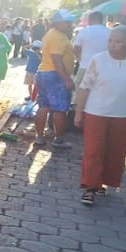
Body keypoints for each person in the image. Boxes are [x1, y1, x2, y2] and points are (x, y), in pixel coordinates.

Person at [74, 25, 126, 206]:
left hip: (122, 114)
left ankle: (102, 182)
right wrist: (78, 112)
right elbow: (85, 87)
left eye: (118, 42)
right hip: (96, 112)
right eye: (110, 41)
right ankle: (90, 187)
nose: (112, 45)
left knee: (115, 151)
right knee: (94, 150)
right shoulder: (98, 59)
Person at [34, 9, 77, 149]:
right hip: (55, 75)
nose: (70, 24)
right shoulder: (58, 36)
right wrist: (66, 79)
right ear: (58, 23)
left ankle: (39, 137)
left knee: (43, 106)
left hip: (44, 72)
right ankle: (59, 139)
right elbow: (56, 58)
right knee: (60, 109)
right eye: (67, 22)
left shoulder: (51, 34)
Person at [73, 11, 110, 86]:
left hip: (85, 66)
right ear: (102, 20)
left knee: (80, 93)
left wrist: (80, 59)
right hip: (103, 68)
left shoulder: (83, 31)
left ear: (89, 20)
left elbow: (76, 48)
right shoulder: (109, 32)